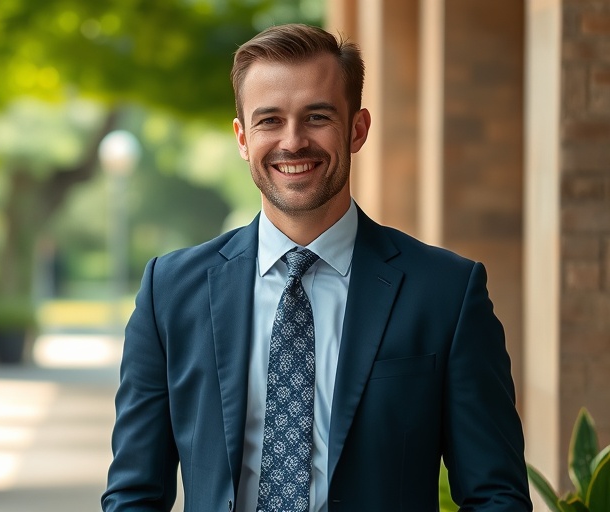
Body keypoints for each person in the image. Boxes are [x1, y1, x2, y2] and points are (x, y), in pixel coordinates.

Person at [102, 23, 531, 511]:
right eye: (269, 120)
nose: (293, 142)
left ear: (357, 129)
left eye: (317, 117)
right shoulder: (170, 292)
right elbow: (134, 494)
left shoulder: (446, 294)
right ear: (242, 137)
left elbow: (496, 495)